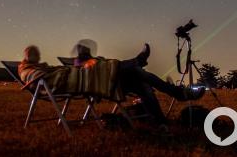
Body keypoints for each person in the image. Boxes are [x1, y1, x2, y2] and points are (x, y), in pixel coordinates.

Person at [73, 40, 203, 126]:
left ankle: (161, 120)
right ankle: (177, 94)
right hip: (106, 86)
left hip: (118, 83)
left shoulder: (96, 60)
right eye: (84, 51)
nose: (86, 52)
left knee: (142, 82)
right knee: (135, 71)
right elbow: (92, 73)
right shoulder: (79, 65)